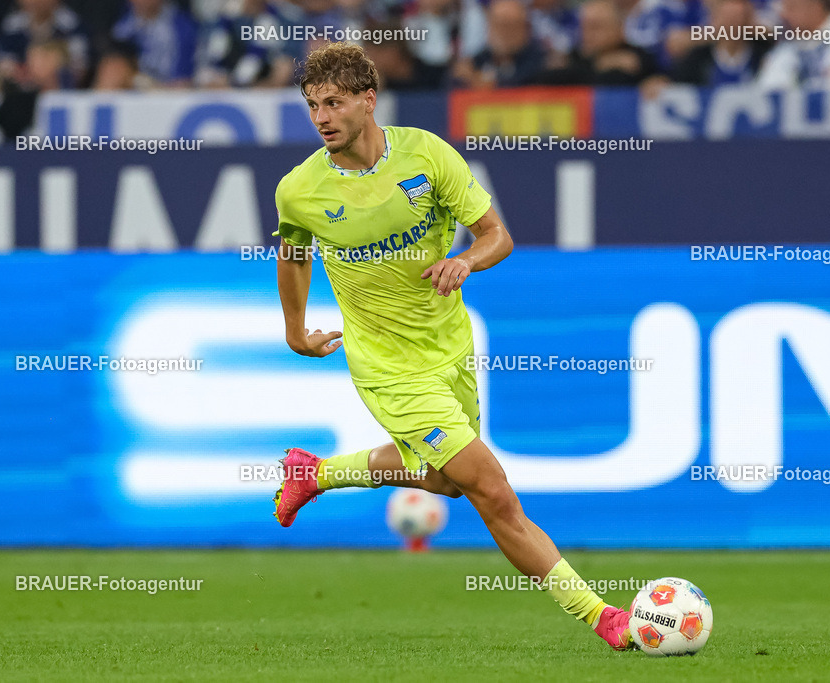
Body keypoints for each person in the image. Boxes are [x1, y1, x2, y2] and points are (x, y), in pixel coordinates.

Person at [272, 41, 635, 652]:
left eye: (333, 103)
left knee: (445, 483)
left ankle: (317, 473)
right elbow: (293, 255)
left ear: (368, 100)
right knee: (492, 490)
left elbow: (497, 236)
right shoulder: (300, 190)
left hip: (450, 349)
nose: (321, 118)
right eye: (313, 106)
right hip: (388, 367)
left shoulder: (427, 154)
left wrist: (466, 261)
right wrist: (294, 328)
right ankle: (604, 617)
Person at [757, 0, 830, 88]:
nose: (784, 15)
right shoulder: (788, 43)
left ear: (815, 7)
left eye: (791, 7)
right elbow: (769, 89)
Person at [540, 0, 661, 85]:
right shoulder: (572, 58)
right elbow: (543, 80)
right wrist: (599, 65)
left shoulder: (639, 58)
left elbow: (655, 77)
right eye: (583, 27)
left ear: (620, 28)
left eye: (595, 27)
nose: (587, 34)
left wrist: (654, 82)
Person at [671, 0, 774, 85]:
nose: (733, 27)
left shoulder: (762, 57)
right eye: (728, 19)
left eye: (739, 18)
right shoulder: (698, 60)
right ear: (715, 20)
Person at [453, 0, 548, 87]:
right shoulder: (479, 59)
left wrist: (484, 82)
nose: (504, 33)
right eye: (499, 25)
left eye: (510, 26)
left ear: (526, 28)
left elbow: (522, 83)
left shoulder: (541, 61)